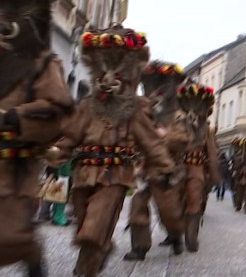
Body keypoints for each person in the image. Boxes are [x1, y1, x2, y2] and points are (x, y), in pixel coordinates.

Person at [53, 27, 174, 277]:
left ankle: (85, 271)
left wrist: (164, 168)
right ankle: (98, 253)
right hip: (83, 174)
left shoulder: (135, 108)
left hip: (115, 175)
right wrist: (57, 151)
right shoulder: (87, 105)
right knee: (83, 227)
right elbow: (72, 134)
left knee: (94, 228)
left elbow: (151, 143)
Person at [0, 0, 73, 277]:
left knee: (8, 239)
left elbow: (58, 111)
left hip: (15, 168)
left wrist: (15, 115)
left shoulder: (44, 63)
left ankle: (31, 251)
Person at [124, 61, 188, 261]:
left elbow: (183, 139)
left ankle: (176, 235)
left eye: (158, 87)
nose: (153, 93)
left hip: (166, 170)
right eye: (149, 87)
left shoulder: (178, 115)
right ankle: (139, 248)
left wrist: (163, 136)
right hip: (142, 169)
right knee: (137, 208)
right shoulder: (140, 112)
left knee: (168, 212)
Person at [176, 83, 222, 252]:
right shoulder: (177, 124)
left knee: (194, 202)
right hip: (177, 170)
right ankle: (174, 234)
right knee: (176, 202)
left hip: (196, 170)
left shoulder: (207, 130)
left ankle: (191, 238)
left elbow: (211, 153)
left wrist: (214, 174)